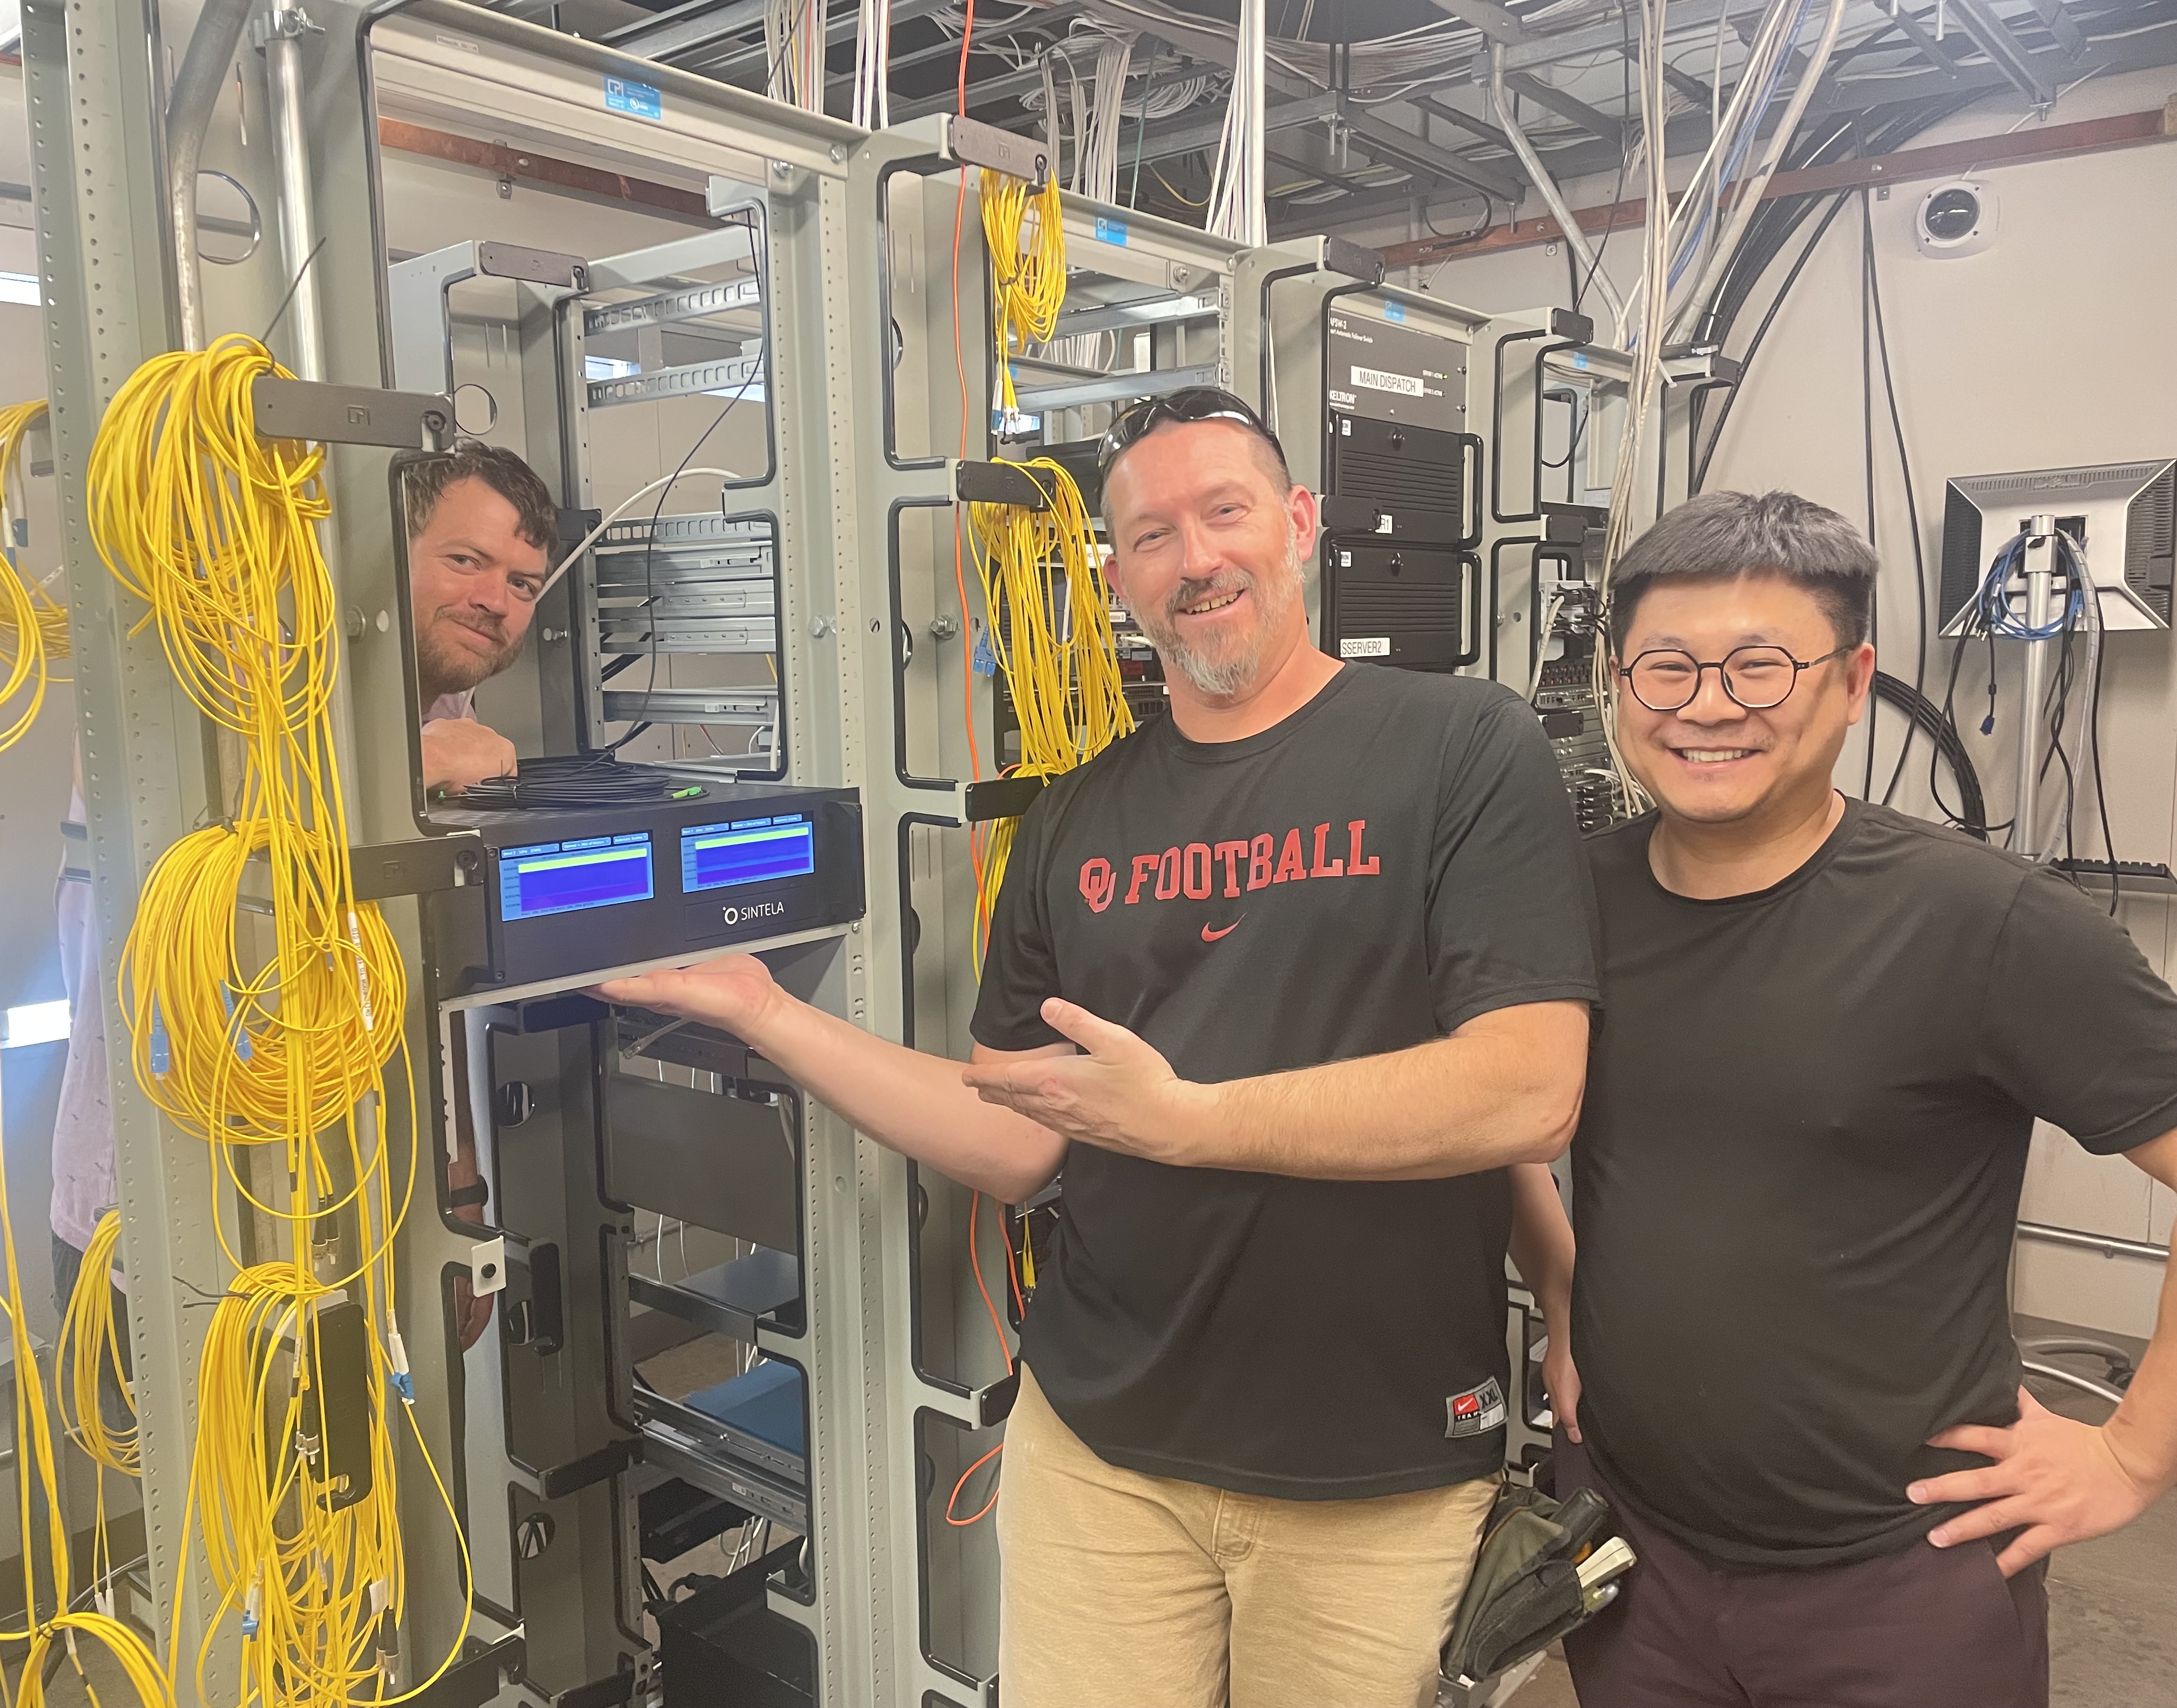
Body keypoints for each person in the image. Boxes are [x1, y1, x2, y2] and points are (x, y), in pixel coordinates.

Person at [595, 386, 1599, 1707]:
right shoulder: (1075, 819)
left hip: (1374, 1469)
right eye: (1151, 536)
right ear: (1116, 576)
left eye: (1224, 513)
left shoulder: (1461, 747)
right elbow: (1018, 1139)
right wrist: (766, 1014)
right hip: (1101, 1454)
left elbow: (1527, 1090)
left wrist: (1191, 1121)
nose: (1196, 561)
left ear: (1299, 525)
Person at [1514, 491, 2177, 1708]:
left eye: (1759, 667)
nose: (1707, 706)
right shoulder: (1567, 899)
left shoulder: (1984, 922)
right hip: (1633, 1554)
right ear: (1617, 682)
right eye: (1665, 667)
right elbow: (1501, 1104)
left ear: (1854, 675)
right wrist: (1563, 1298)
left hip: (1900, 1580)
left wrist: (2133, 1456)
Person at [51, 441, 557, 1352]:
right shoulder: (206, 681)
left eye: (523, 584)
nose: (495, 600)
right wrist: (402, 773)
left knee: (378, 1489)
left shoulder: (449, 725)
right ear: (377, 551)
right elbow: (180, 814)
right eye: (466, 560)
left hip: (366, 1213)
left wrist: (462, 1172)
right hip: (157, 1217)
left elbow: (430, 978)